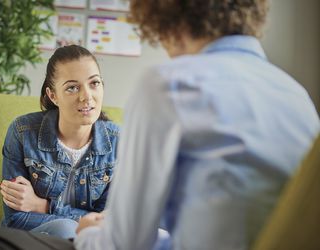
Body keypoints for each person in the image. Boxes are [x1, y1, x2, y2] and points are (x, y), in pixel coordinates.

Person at [74, 0, 320, 249]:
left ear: (167, 18)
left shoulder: (169, 84)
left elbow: (124, 245)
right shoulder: (298, 96)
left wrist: (88, 234)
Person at [0, 45, 119, 239]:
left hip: (93, 243)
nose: (87, 96)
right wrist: (80, 223)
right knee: (65, 230)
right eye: (72, 88)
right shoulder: (22, 132)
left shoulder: (118, 143)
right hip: (29, 238)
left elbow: (109, 223)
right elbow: (16, 219)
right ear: (53, 95)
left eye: (94, 83)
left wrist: (42, 206)